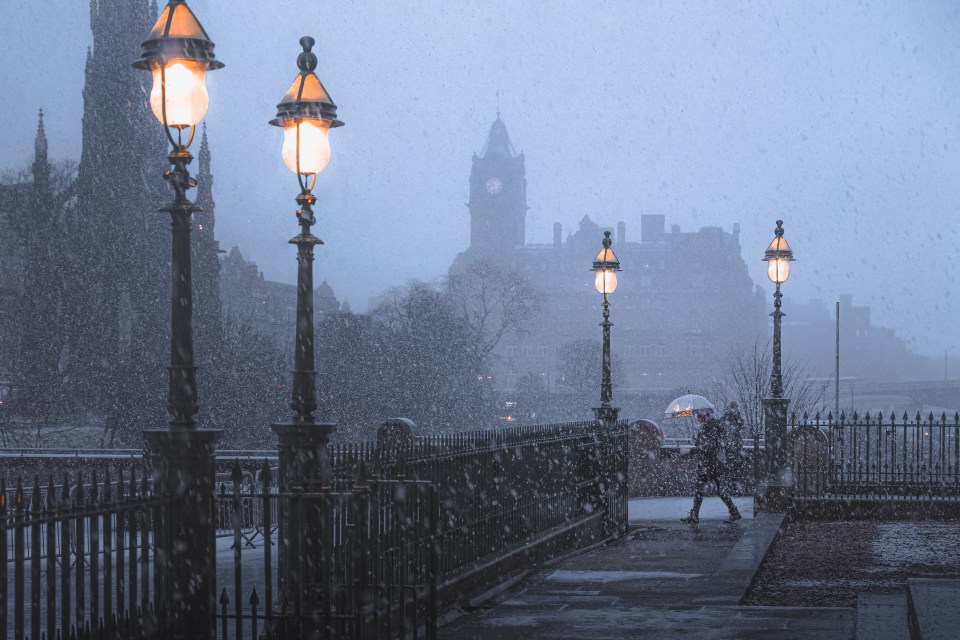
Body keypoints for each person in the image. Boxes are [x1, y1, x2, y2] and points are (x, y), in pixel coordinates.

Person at [681, 408, 742, 524]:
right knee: (713, 490)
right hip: (709, 465)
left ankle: (696, 515)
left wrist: (693, 450)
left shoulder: (713, 428)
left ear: (706, 417)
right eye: (697, 417)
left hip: (710, 465)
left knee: (706, 489)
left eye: (700, 417)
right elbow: (705, 444)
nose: (698, 419)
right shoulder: (706, 428)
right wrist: (695, 441)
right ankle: (734, 512)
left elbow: (710, 447)